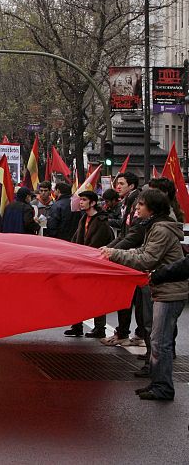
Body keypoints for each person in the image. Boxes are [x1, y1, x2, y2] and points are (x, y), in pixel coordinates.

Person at [101, 189, 187, 401]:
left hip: (169, 291)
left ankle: (163, 387)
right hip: (164, 289)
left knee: (160, 342)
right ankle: (158, 383)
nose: (136, 209)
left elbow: (146, 259)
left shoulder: (160, 230)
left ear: (152, 209)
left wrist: (115, 254)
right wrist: (116, 253)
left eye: (140, 205)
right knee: (158, 340)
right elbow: (141, 252)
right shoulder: (155, 226)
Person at [101, 171, 144, 347]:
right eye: (117, 183)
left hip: (134, 256)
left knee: (135, 299)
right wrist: (109, 248)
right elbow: (125, 233)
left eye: (122, 183)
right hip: (127, 253)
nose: (117, 186)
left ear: (132, 186)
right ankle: (125, 332)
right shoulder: (127, 202)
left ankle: (132, 334)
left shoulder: (136, 202)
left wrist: (113, 251)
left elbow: (134, 234)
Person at [63, 190, 114, 338]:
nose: (81, 202)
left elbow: (96, 244)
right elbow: (76, 239)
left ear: (92, 203)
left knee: (96, 297)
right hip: (80, 263)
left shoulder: (101, 222)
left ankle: (100, 328)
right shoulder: (83, 219)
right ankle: (77, 325)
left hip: (94, 265)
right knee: (76, 295)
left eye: (84, 200)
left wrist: (83, 255)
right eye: (81, 200)